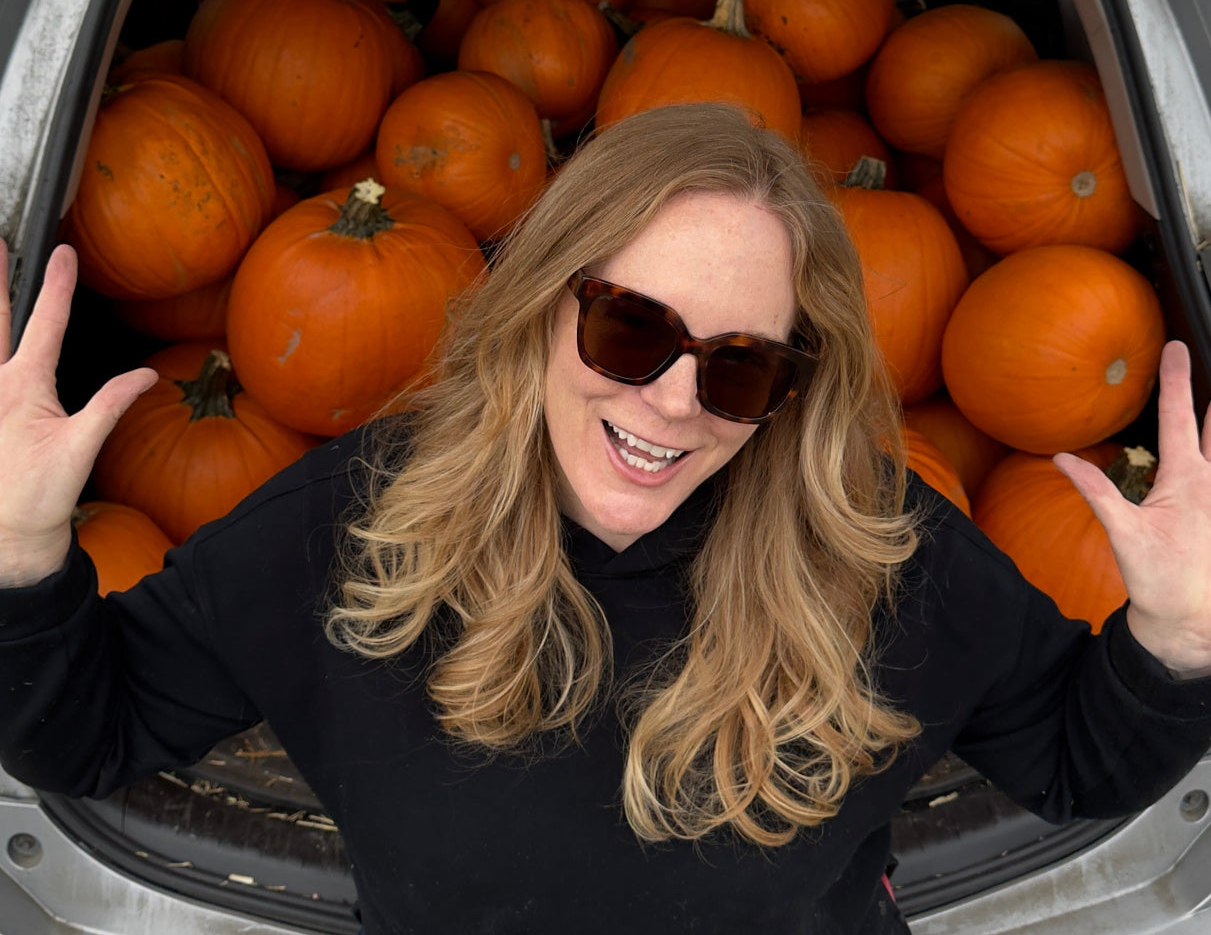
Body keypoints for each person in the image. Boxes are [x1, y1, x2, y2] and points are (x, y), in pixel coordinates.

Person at [1, 103, 1210, 935]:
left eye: (740, 368)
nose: (674, 401)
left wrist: (1176, 641)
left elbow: (1074, 757)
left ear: (792, 386)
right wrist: (20, 557)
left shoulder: (873, 548)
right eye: (630, 330)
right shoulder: (351, 526)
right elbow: (87, 734)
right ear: (536, 305)